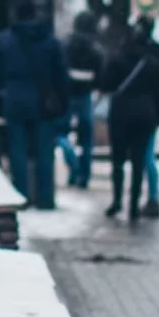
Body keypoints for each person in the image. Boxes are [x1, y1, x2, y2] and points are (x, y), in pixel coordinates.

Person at [0, 1, 69, 210]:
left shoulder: (4, 41)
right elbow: (61, 76)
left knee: (18, 151)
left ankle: (21, 196)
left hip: (14, 100)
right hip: (43, 102)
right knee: (44, 152)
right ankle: (45, 198)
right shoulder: (49, 41)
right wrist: (62, 104)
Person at [99, 15, 159, 220]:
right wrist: (158, 114)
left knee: (118, 160)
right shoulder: (154, 57)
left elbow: (105, 83)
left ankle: (116, 201)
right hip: (145, 114)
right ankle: (133, 207)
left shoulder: (119, 54)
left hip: (120, 113)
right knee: (139, 161)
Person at [63, 11, 104, 188]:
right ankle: (84, 174)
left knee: (61, 133)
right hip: (86, 94)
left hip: (67, 93)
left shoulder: (67, 44)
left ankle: (73, 167)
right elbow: (101, 73)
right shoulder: (95, 47)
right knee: (86, 138)